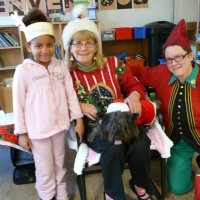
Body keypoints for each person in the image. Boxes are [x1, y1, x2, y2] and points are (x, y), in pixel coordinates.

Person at [62, 5, 156, 200]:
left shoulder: (113, 64)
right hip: (94, 126)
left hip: (123, 120)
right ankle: (113, 194)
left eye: (89, 42)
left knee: (140, 144)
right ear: (69, 48)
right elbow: (58, 102)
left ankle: (140, 184)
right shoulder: (65, 74)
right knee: (113, 147)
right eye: (77, 43)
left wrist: (134, 96)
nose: (83, 48)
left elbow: (136, 86)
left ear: (97, 45)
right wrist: (78, 106)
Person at [11, 8, 84, 200]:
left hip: (59, 127)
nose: (45, 51)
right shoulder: (23, 71)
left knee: (60, 164)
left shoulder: (60, 66)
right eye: (39, 46)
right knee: (45, 169)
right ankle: (47, 195)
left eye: (50, 45)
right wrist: (22, 133)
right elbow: (17, 104)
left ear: (55, 44)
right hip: (38, 131)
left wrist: (78, 119)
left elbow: (70, 94)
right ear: (29, 47)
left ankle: (61, 195)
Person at [131, 19, 200, 195]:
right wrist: (134, 92)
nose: (174, 63)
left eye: (179, 57)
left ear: (190, 56)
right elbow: (132, 71)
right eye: (169, 59)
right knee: (177, 188)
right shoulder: (161, 72)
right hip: (179, 140)